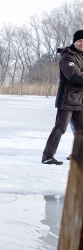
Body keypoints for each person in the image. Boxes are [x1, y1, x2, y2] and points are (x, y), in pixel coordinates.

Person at [42, 30, 83, 165]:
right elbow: (75, 77)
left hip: (80, 101)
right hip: (67, 100)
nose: (82, 43)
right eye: (79, 41)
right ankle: (47, 156)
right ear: (74, 42)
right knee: (60, 128)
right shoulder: (68, 57)